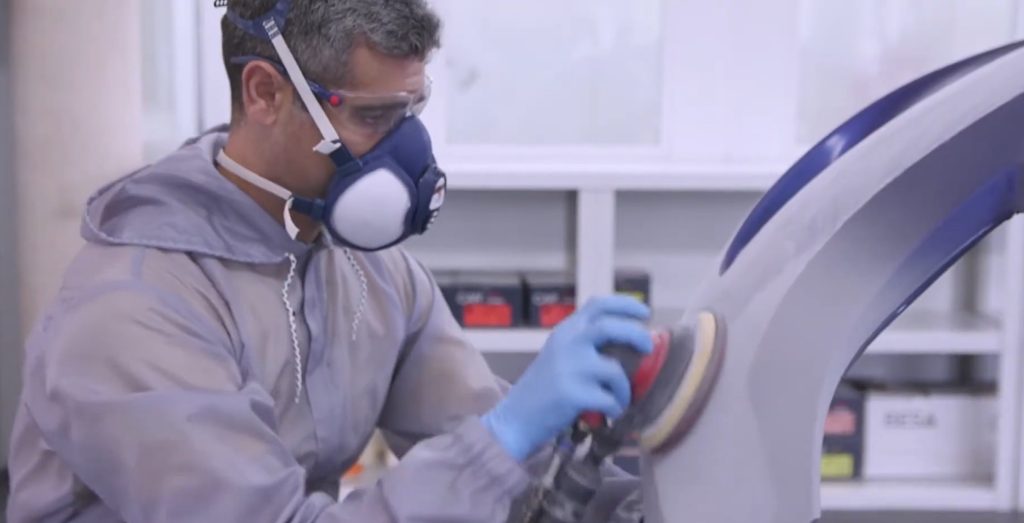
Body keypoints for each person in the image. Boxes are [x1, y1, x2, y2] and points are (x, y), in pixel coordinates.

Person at [6, 1, 652, 521]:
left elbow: (503, 458)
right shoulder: (133, 308)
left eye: (411, 112)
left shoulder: (373, 274)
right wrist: (501, 439)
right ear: (265, 93)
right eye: (374, 116)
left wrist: (642, 493)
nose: (409, 154)